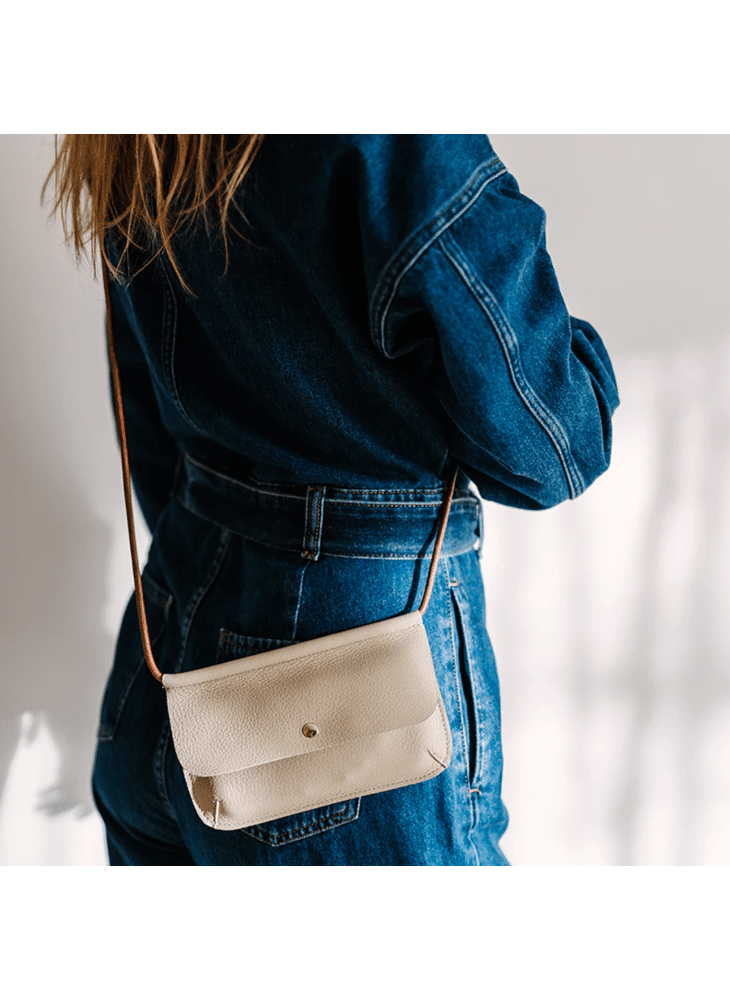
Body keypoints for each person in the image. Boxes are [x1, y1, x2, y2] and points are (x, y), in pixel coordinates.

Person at [45, 134, 619, 866]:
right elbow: (555, 449)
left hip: (165, 665)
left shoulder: (133, 123)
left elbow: (148, 412)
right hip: (344, 704)